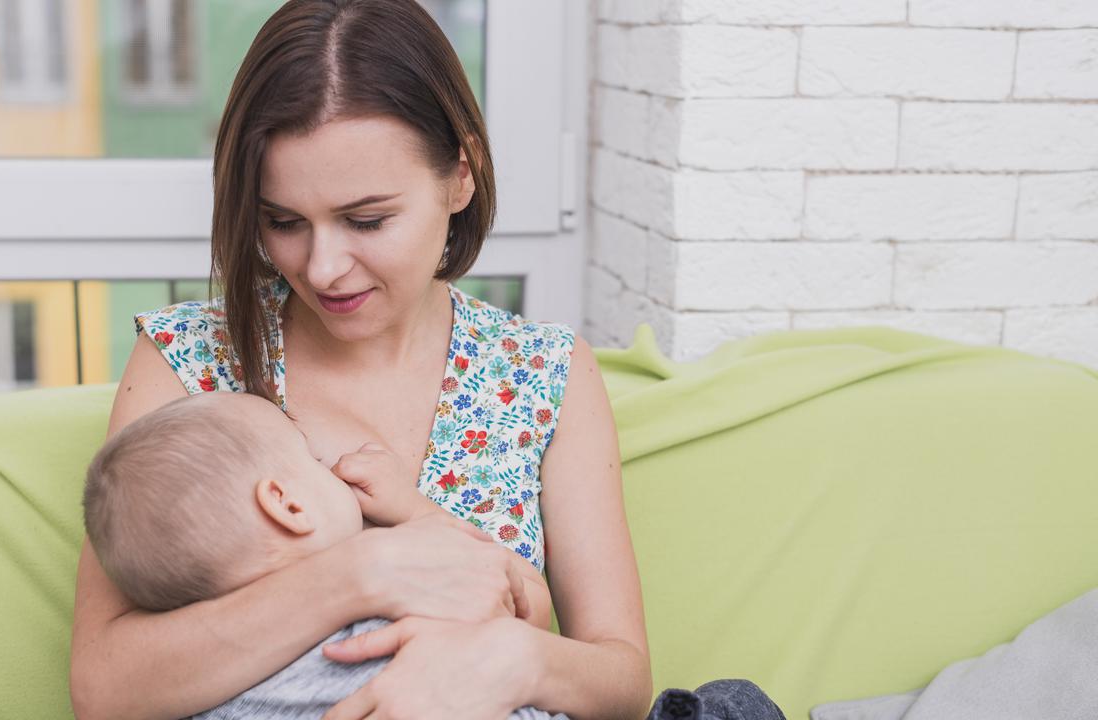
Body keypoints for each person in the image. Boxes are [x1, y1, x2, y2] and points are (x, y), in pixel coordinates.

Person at [69, 1, 784, 719]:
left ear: (460, 177)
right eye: (282, 222)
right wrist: (363, 573)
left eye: (367, 219)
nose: (322, 268)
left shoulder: (542, 375)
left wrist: (513, 661)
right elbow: (104, 690)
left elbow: (621, 680)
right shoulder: (188, 359)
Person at [81, 390, 567, 719]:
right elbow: (519, 595)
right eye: (312, 459)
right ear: (288, 505)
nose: (330, 467)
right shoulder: (395, 611)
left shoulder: (200, 685)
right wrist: (416, 515)